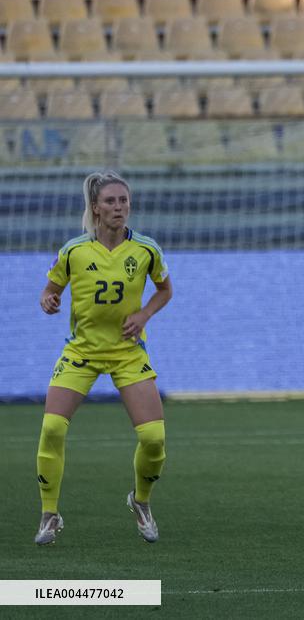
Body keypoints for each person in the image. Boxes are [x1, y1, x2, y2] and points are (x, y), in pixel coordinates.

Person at [36, 171, 172, 545]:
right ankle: (50, 514)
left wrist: (143, 315)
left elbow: (165, 290)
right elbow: (50, 289)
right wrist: (49, 300)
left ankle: (140, 501)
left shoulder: (146, 250)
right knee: (52, 429)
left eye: (123, 201)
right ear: (95, 208)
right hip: (82, 352)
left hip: (127, 353)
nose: (118, 207)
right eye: (110, 201)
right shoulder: (74, 251)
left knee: (155, 439)